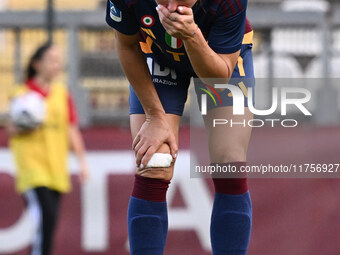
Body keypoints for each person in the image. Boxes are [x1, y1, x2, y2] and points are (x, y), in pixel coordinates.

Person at [106, 0, 254, 254]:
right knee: (154, 163)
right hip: (156, 49)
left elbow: (218, 79)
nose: (172, 6)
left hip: (220, 57)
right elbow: (126, 44)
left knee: (230, 163)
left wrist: (192, 35)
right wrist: (155, 115)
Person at [6, 42, 89, 255]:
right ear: (37, 64)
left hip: (56, 171)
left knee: (49, 223)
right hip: (32, 169)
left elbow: (71, 130)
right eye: (51, 60)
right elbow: (11, 129)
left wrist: (82, 163)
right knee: (44, 217)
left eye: (58, 61)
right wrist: (24, 124)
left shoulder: (62, 94)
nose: (56, 65)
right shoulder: (22, 94)